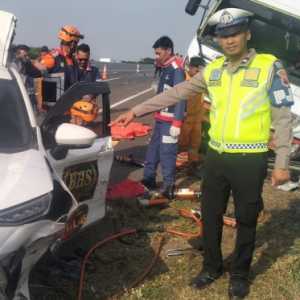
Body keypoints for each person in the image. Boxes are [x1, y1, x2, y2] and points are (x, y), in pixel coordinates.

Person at [110, 8, 293, 299]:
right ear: (218, 40)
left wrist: (282, 163)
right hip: (217, 158)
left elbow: (284, 118)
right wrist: (135, 110)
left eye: (234, 34)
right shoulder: (215, 69)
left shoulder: (268, 67)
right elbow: (177, 92)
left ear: (247, 34)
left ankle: (240, 275)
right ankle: (211, 267)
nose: (229, 40)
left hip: (250, 159)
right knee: (210, 214)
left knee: (246, 218)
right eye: (223, 36)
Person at [141, 36, 186, 198]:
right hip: (160, 119)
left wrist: (177, 122)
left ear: (168, 51)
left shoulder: (176, 69)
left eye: (158, 53)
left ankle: (168, 186)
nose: (156, 56)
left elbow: (181, 96)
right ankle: (148, 179)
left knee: (167, 153)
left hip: (170, 122)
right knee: (152, 150)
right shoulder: (165, 67)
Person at [178, 56, 205, 172]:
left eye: (200, 71)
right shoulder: (182, 80)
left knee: (195, 143)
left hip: (197, 118)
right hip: (185, 119)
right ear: (190, 67)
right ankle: (174, 165)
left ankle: (192, 164)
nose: (198, 73)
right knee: (181, 143)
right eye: (197, 70)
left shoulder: (200, 81)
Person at [11, 44, 45, 111]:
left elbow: (36, 72)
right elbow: (16, 75)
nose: (26, 55)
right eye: (25, 52)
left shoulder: (24, 61)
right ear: (19, 51)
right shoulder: (13, 62)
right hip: (18, 88)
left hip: (26, 87)